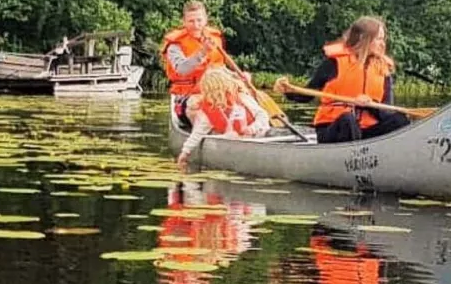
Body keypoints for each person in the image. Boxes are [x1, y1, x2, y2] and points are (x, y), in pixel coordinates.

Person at [274, 16, 409, 144]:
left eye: (383, 39)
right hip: (333, 128)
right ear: (364, 39)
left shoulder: (383, 69)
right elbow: (307, 95)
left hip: (366, 132)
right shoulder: (334, 63)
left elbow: (387, 112)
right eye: (379, 39)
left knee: (400, 120)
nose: (382, 44)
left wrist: (370, 104)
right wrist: (288, 90)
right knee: (348, 120)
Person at [175, 66, 271, 169]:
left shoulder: (242, 98)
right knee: (231, 134)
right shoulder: (210, 110)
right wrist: (184, 153)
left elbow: (263, 116)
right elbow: (197, 134)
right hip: (238, 140)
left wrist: (252, 128)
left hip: (259, 134)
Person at [161, 0, 228, 130]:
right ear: (184, 21)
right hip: (187, 95)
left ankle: (246, 129)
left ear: (206, 20)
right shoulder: (175, 44)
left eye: (199, 20)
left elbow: (220, 68)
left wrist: (236, 77)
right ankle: (211, 133)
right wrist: (203, 52)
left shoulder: (215, 38)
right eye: (191, 21)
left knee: (242, 99)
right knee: (199, 106)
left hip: (215, 92)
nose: (196, 25)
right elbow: (182, 69)